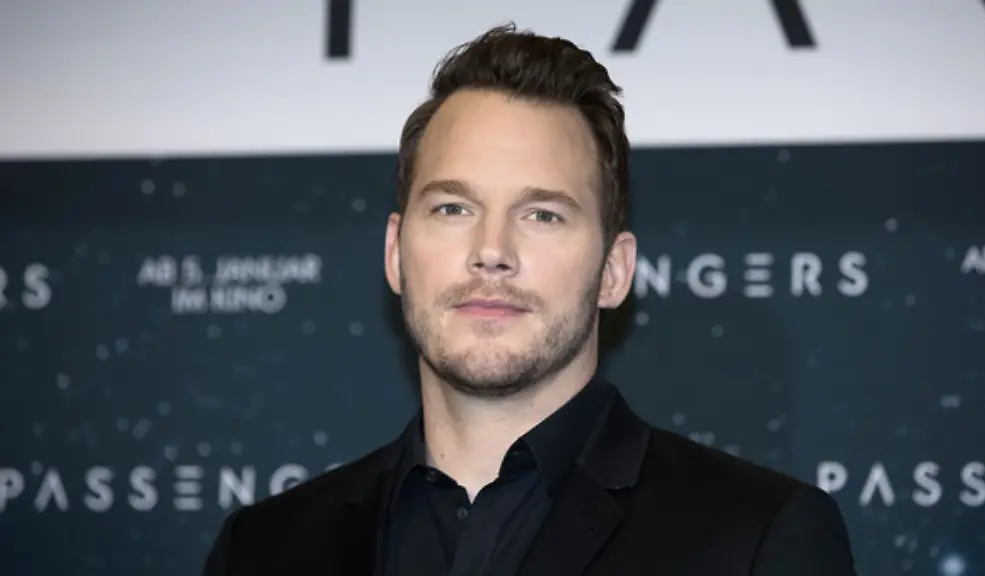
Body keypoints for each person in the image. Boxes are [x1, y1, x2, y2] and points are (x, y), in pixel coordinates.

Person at [202, 23, 858, 576]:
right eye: (453, 208)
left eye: (543, 215)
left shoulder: (758, 540)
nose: (492, 250)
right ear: (396, 253)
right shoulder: (262, 551)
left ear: (614, 271)